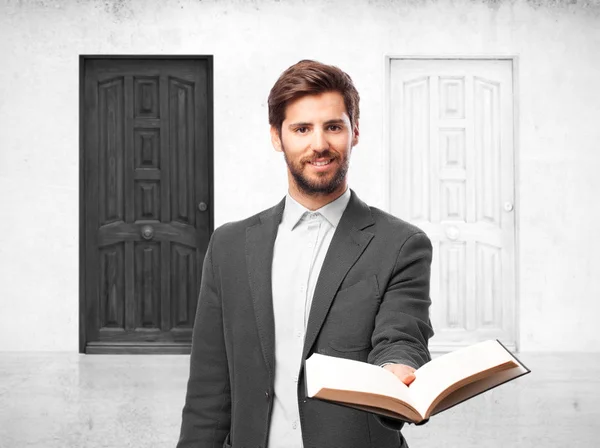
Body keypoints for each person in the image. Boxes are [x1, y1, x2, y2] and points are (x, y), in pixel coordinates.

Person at [177, 60, 433, 448]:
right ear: (277, 137)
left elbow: (402, 333)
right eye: (301, 129)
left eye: (333, 126)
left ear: (355, 132)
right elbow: (208, 390)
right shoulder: (228, 246)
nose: (319, 144)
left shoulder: (401, 244)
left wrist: (397, 369)